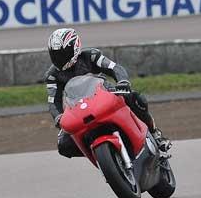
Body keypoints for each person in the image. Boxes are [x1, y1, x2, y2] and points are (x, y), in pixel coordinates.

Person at [44, 27, 171, 158]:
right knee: (63, 145)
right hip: (78, 109)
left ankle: (155, 134)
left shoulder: (91, 56)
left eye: (62, 53)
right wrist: (58, 117)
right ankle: (101, 157)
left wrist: (123, 82)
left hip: (106, 96)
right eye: (55, 54)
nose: (58, 58)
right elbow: (53, 101)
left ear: (75, 48)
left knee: (137, 99)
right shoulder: (52, 76)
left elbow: (114, 68)